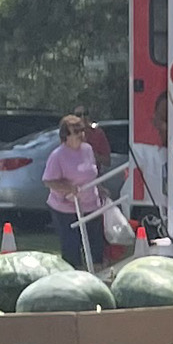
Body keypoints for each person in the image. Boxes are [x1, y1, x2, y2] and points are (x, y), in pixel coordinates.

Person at [41, 114, 109, 271]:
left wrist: (99, 187)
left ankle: (98, 275)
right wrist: (68, 188)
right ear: (66, 136)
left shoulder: (88, 149)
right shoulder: (58, 155)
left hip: (91, 205)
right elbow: (48, 181)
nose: (81, 135)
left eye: (82, 131)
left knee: (96, 247)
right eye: (76, 132)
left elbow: (91, 172)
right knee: (72, 247)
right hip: (66, 208)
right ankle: (74, 276)